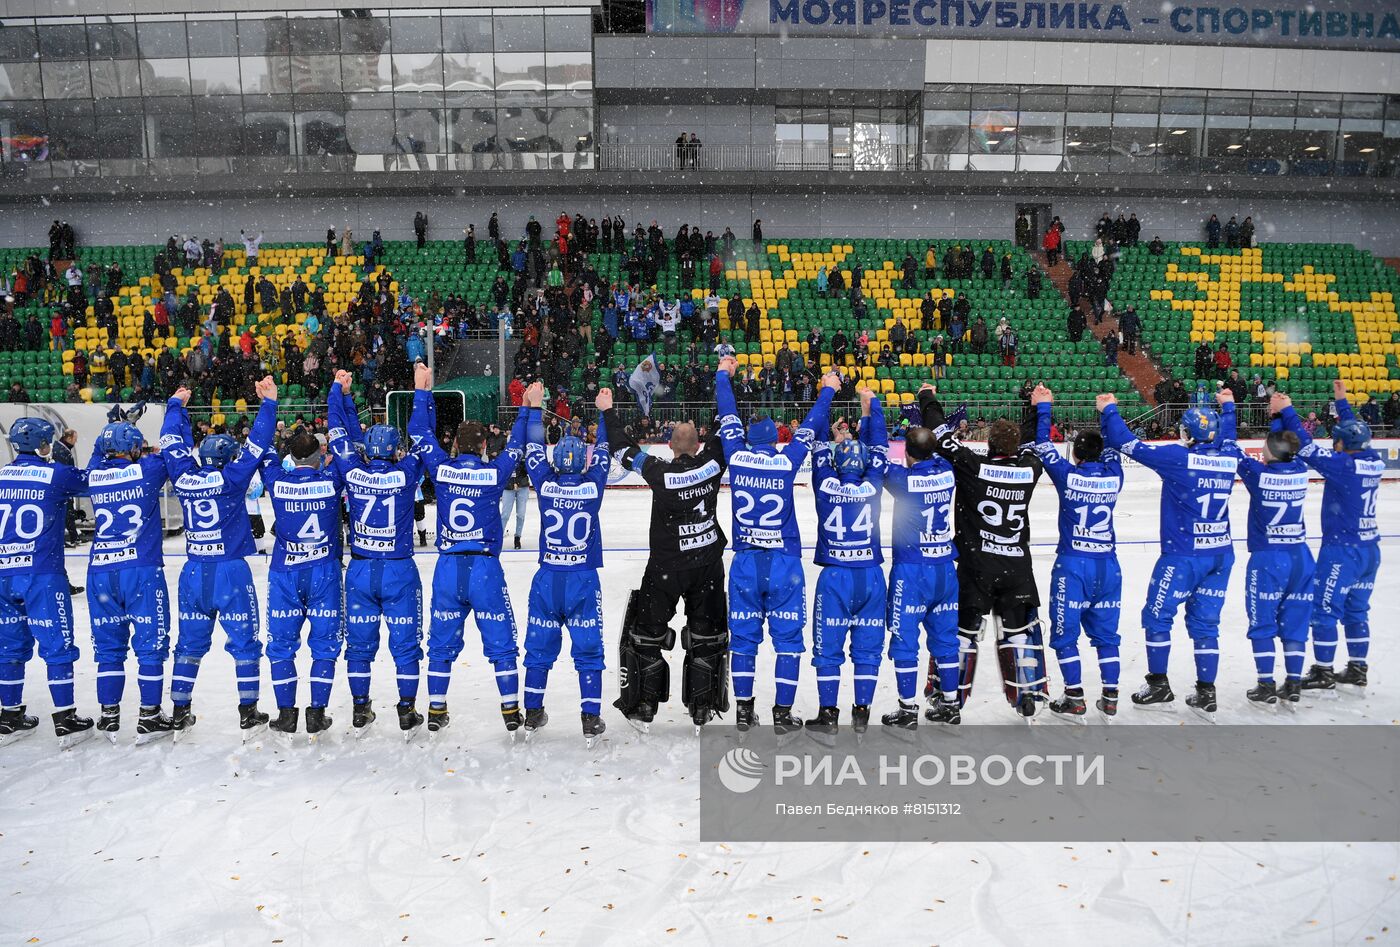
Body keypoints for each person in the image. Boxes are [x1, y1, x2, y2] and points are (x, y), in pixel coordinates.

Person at [1099, 387, 1241, 717]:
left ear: (1187, 433)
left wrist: (1109, 409)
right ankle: (1207, 692)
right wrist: (1229, 407)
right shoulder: (1228, 457)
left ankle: (1159, 683)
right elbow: (1229, 437)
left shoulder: (1178, 458)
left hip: (1183, 555)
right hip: (1220, 553)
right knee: (1206, 624)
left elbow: (1126, 443)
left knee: (1157, 617)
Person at [715, 358, 837, 734]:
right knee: (788, 643)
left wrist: (723, 375)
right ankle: (782, 714)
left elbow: (727, 412)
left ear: (751, 440)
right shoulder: (787, 461)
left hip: (746, 563)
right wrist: (828, 390)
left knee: (744, 642)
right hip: (784, 563)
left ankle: (743, 710)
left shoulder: (736, 456)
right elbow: (814, 426)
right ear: (776, 439)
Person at [408, 365, 527, 734]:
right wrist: (526, 408)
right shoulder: (494, 474)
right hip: (484, 568)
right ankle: (510, 710)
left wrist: (422, 392)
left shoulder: (442, 468)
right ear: (486, 445)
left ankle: (437, 708)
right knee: (501, 643)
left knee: (440, 645)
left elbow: (418, 432)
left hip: (448, 568)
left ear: (455, 445)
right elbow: (520, 446)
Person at [602, 397, 729, 732]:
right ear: (698, 444)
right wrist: (721, 386)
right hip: (707, 565)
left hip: (665, 568)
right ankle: (702, 706)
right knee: (707, 636)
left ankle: (645, 703)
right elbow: (725, 429)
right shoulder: (712, 463)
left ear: (669, 445)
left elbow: (621, 450)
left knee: (646, 635)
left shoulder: (659, 471)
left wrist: (607, 411)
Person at [161, 377, 279, 735]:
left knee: (188, 644)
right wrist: (269, 405)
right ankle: (248, 710)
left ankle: (180, 709)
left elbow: (172, 447)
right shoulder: (233, 478)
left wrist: (175, 407)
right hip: (230, 570)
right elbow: (258, 444)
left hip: (194, 571)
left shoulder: (183, 477)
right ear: (228, 457)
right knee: (245, 644)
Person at [921, 386, 1046, 719]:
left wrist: (928, 398)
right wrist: (1038, 408)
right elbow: (1035, 443)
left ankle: (949, 699)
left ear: (989, 444)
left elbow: (941, 435)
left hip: (977, 566)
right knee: (1018, 632)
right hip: (1017, 567)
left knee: (963, 634)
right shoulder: (1030, 469)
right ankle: (1028, 694)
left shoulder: (971, 466)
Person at [327, 372, 428, 735]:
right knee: (406, 646)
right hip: (399, 569)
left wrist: (340, 393)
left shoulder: (352, 470)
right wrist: (420, 392)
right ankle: (406, 710)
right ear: (396, 450)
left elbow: (338, 433)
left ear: (367, 451)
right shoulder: (407, 471)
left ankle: (359, 709)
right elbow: (424, 438)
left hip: (361, 568)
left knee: (358, 646)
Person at [518, 384, 614, 744]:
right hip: (583, 578)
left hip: (548, 577)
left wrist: (535, 408)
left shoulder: (543, 483)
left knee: (539, 648)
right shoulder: (594, 484)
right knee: (589, 650)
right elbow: (605, 449)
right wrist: (604, 412)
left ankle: (532, 712)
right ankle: (590, 718)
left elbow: (530, 448)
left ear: (555, 458)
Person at [1276, 381, 1383, 692]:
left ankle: (1323, 670)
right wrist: (1342, 403)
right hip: (1369, 549)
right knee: (1357, 609)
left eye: (1335, 440)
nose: (1333, 444)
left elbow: (1307, 447)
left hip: (1342, 551)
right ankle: (1357, 667)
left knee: (1325, 609)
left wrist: (1288, 412)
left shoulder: (1343, 466)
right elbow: (1355, 434)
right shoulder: (1372, 460)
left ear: (1341, 445)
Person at [0, 418, 94, 744]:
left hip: (3, 574)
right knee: (57, 646)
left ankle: (9, 715)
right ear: (44, 445)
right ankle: (65, 718)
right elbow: (94, 480)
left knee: (9, 648)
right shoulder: (56, 474)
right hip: (42, 574)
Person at [1032, 387, 1124, 719]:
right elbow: (1115, 446)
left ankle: (1075, 696)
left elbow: (1043, 447)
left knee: (1065, 634)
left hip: (1073, 565)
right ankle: (1111, 696)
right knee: (1106, 636)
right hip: (1108, 566)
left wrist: (1044, 407)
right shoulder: (1115, 476)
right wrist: (1107, 413)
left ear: (1076, 455)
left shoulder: (1068, 475)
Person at [86, 419, 176, 741]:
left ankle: (109, 716)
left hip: (100, 570)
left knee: (109, 648)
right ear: (135, 449)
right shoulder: (149, 469)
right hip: (140, 569)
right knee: (150, 645)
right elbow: (172, 453)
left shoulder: (95, 474)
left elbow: (96, 458)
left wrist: (109, 431)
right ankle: (149, 716)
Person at [807, 385, 889, 735]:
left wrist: (827, 402)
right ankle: (862, 711)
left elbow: (816, 444)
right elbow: (882, 445)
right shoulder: (873, 483)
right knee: (868, 650)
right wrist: (872, 405)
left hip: (836, 576)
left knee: (827, 650)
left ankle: (828, 713)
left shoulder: (824, 482)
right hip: (870, 575)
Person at [877, 394, 958, 730]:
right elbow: (938, 447)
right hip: (944, 569)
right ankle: (951, 704)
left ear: (907, 455)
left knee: (905, 640)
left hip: (912, 570)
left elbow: (877, 456)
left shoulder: (902, 479)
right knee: (946, 640)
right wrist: (925, 406)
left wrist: (875, 413)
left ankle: (908, 708)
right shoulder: (947, 471)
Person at [258, 427, 345, 737]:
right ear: (320, 455)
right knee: (325, 646)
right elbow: (347, 455)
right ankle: (316, 714)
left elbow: (261, 449)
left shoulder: (277, 480)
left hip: (285, 573)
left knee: (281, 646)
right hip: (324, 571)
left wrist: (269, 407)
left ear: (291, 457)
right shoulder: (331, 479)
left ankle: (286, 714)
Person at [1235, 424, 1313, 708]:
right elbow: (1301, 444)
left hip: (1268, 558)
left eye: (1266, 444)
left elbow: (1232, 451)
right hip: (1301, 557)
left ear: (1273, 450)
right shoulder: (1302, 470)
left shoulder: (1258, 475)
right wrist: (1282, 415)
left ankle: (1266, 683)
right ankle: (1293, 682)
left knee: (1262, 621)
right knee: (1295, 622)